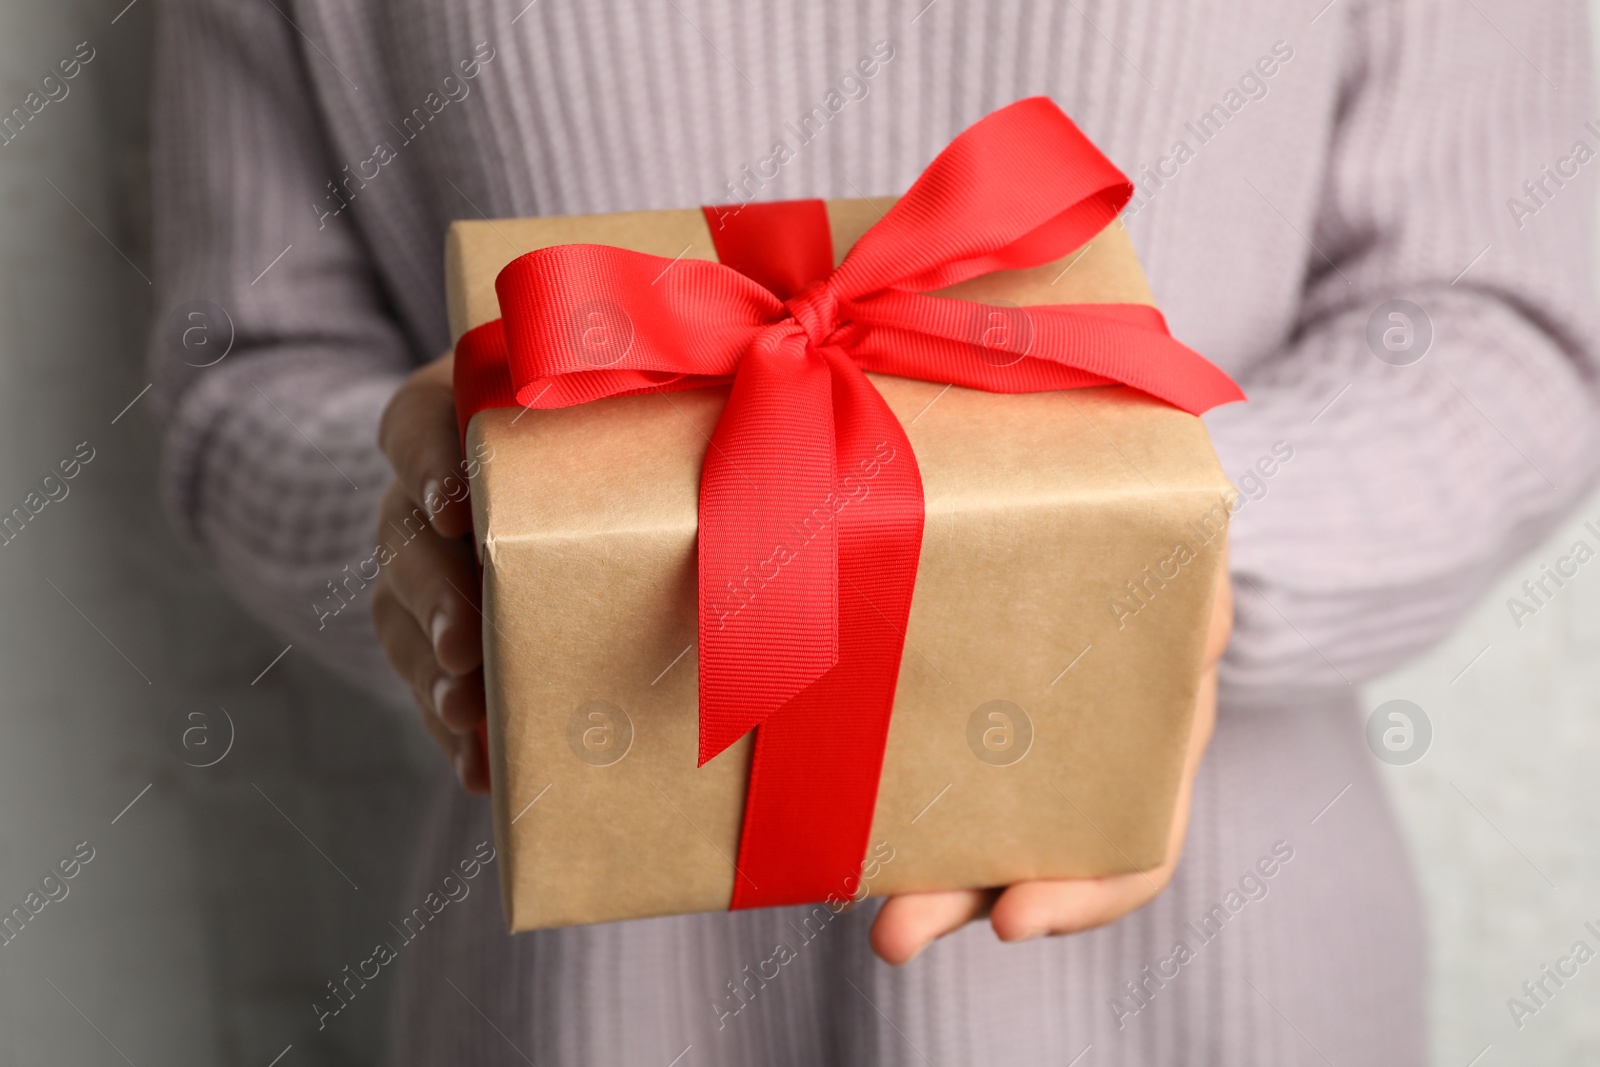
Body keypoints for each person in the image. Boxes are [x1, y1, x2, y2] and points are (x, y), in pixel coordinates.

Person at [148, 0, 1600, 1063]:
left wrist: (1173, 561)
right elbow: (239, 371)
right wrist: (431, 526)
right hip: (585, 1010)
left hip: (1220, 988)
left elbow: (1511, 319)